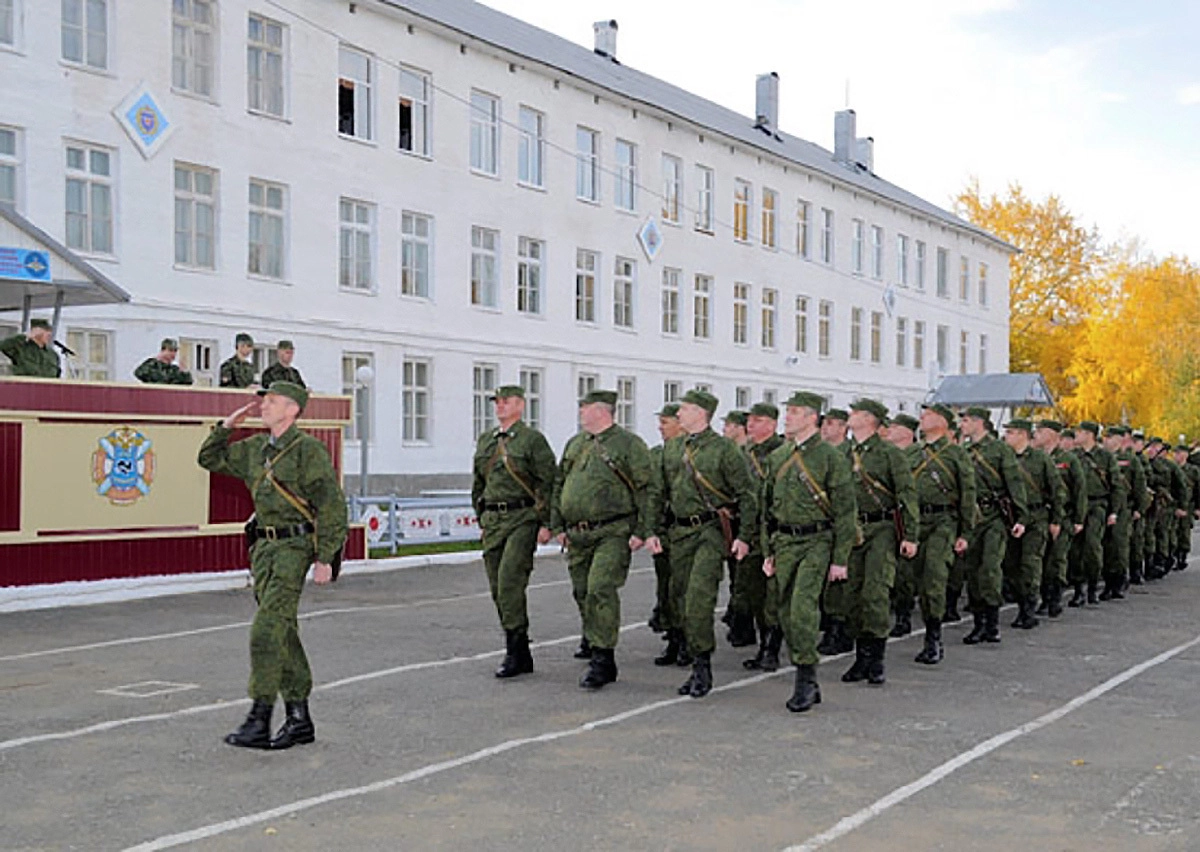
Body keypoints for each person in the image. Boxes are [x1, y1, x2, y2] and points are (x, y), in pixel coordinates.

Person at [197, 381, 348, 750]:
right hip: (263, 549)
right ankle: (299, 719)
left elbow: (331, 504)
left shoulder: (307, 450)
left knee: (266, 631)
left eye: (272, 401)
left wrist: (326, 556)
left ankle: (259, 717)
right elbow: (209, 460)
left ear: (293, 409)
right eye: (263, 400)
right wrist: (225, 428)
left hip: (294, 548)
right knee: (283, 630)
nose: (263, 406)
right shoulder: (254, 449)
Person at [645, 389, 757, 698]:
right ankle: (694, 655)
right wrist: (652, 530)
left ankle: (702, 666)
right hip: (679, 534)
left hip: (709, 531)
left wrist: (745, 536)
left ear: (700, 413)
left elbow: (747, 495)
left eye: (685, 408)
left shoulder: (724, 450)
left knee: (698, 599)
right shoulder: (672, 449)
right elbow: (657, 492)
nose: (678, 413)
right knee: (680, 598)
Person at [759, 391, 856, 712]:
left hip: (817, 542)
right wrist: (768, 550)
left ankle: (805, 678)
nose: (788, 416)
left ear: (812, 417)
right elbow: (767, 508)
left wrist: (840, 558)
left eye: (795, 412)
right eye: (788, 411)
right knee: (785, 611)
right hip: (784, 543)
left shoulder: (830, 458)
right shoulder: (779, 456)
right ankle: (807, 677)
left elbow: (845, 511)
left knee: (802, 609)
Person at [550, 389, 651, 690]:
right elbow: (560, 483)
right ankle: (594, 640)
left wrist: (642, 530)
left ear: (601, 411)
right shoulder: (576, 444)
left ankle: (603, 658)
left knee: (600, 588)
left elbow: (646, 489)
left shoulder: (629, 445)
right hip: (578, 533)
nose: (580, 413)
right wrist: (557, 524)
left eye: (585, 408)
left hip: (613, 531)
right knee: (582, 591)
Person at [471, 385, 556, 679]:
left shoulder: (532, 440)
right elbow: (479, 482)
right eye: (497, 402)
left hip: (522, 517)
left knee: (509, 582)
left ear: (520, 405)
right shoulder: (487, 440)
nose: (500, 406)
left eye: (506, 401)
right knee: (497, 588)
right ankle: (520, 650)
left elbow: (548, 481)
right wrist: (481, 517)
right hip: (494, 519)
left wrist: (546, 522)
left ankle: (514, 649)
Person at [839, 398, 918, 686]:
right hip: (851, 530)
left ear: (870, 419)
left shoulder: (889, 454)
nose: (850, 416)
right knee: (852, 595)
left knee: (875, 593)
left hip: (881, 528)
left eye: (855, 412)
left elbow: (906, 494)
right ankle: (860, 658)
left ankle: (876, 659)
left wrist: (910, 535)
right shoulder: (841, 452)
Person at [903, 404, 975, 665]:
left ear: (943, 422)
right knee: (913, 579)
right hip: (914, 522)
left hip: (943, 521)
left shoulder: (956, 454)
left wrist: (965, 531)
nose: (922, 418)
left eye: (929, 414)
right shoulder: (911, 452)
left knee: (934, 577)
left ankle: (933, 637)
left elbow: (968, 493)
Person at [959, 407, 1027, 645]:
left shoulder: (1000, 450)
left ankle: (992, 623)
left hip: (994, 517)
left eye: (966, 420)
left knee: (990, 568)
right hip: (971, 518)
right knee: (972, 570)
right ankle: (978, 623)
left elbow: (1014, 483)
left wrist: (1021, 517)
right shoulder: (963, 451)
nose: (962, 425)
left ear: (979, 422)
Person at [1001, 419, 1065, 629]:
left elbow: (1057, 490)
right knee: (1011, 565)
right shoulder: (1003, 457)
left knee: (1030, 564)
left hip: (1036, 517)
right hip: (1010, 518)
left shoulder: (1040, 459)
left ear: (1022, 434)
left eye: (1010, 432)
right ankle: (1020, 601)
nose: (1007, 436)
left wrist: (1056, 520)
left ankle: (1028, 610)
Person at [737, 402, 786, 672]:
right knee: (753, 590)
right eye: (750, 421)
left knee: (773, 594)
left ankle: (772, 648)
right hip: (750, 530)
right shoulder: (745, 453)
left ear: (771, 424)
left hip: (774, 530)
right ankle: (762, 643)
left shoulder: (782, 452)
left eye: (757, 421)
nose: (750, 425)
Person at [1033, 420, 1086, 617]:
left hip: (1064, 516)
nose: (1036, 434)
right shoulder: (1036, 458)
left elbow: (1079, 490)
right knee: (1041, 559)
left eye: (1041, 431)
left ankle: (1054, 599)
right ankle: (1044, 598)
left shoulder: (1069, 459)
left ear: (1053, 435)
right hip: (1040, 516)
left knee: (1056, 560)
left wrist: (1079, 519)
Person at [1069, 421, 1125, 605]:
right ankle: (1078, 589)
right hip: (1076, 506)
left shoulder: (1105, 457)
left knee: (1092, 546)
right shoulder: (1072, 456)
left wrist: (1114, 511)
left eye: (1079, 432)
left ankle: (1092, 586)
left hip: (1097, 504)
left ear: (1089, 434)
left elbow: (1116, 486)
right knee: (1075, 550)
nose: (1075, 435)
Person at [647, 404, 683, 634]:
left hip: (685, 527)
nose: (660, 428)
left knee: (682, 586)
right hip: (663, 528)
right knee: (664, 584)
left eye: (665, 422)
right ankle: (671, 633)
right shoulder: (657, 454)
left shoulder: (689, 454)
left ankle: (684, 637)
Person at [885, 412, 920, 632]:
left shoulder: (920, 456)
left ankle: (904, 615)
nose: (889, 430)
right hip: (890, 518)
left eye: (894, 427)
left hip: (913, 518)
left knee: (906, 572)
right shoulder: (887, 454)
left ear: (906, 432)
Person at [1101, 426, 1143, 598]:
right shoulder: (1101, 458)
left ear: (1119, 440)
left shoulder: (1130, 460)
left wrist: (1139, 508)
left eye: (1110, 438)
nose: (1107, 441)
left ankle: (1117, 582)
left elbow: (1139, 485)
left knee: (1119, 546)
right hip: (1104, 506)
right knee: (1105, 546)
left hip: (1124, 508)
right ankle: (1106, 581)